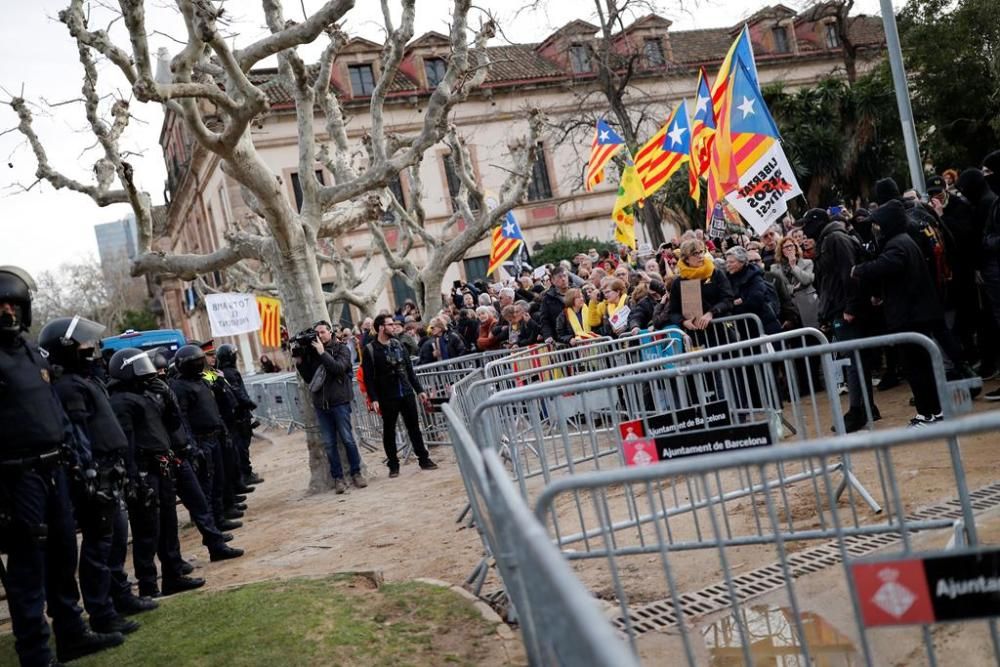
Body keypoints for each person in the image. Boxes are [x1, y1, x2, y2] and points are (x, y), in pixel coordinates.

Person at [0, 266, 125, 666]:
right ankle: (36, 653)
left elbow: (58, 414)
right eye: (0, 307)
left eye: (13, 306)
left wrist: (79, 461)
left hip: (55, 470)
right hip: (17, 476)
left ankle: (72, 633)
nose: (7, 314)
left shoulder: (32, 353)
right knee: (28, 568)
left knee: (63, 555)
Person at [39, 316, 140, 636]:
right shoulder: (68, 386)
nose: (90, 349)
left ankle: (117, 599)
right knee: (99, 546)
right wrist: (89, 473)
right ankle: (102, 612)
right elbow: (78, 433)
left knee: (113, 540)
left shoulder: (84, 380)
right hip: (95, 472)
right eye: (83, 344)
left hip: (110, 468)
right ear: (66, 349)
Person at [853, 200, 945, 426]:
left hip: (910, 316)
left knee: (916, 367)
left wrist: (859, 269)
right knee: (921, 366)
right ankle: (933, 412)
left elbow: (886, 265)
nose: (875, 230)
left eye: (878, 225)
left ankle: (927, 414)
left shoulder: (897, 244)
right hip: (914, 314)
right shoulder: (902, 241)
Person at [796, 208, 879, 431]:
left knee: (854, 361)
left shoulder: (835, 239)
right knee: (854, 359)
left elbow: (849, 273)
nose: (803, 231)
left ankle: (858, 411)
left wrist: (850, 307)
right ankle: (866, 407)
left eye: (806, 225)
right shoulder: (828, 239)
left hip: (847, 309)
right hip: (838, 308)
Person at [169, 345, 242, 531]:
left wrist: (223, 430)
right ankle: (213, 528)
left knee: (219, 481)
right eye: (198, 361)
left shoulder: (203, 378)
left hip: (215, 436)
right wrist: (192, 445)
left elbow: (217, 392)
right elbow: (182, 418)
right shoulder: (179, 386)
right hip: (201, 441)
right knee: (207, 488)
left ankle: (220, 518)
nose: (202, 364)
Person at [361, 314, 438, 478]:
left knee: (414, 429)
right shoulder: (370, 350)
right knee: (389, 431)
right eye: (390, 324)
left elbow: (410, 371)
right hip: (386, 396)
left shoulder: (399, 345)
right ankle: (393, 465)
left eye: (393, 324)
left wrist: (420, 390)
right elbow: (368, 377)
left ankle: (424, 459)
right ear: (381, 327)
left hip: (406, 392)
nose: (394, 327)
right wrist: (373, 398)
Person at [294, 321, 366, 494]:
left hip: (340, 402)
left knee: (348, 439)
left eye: (323, 332)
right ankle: (338, 478)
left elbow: (339, 369)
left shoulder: (342, 349)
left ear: (330, 332)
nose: (320, 335)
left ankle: (356, 473)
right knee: (329, 444)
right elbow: (309, 379)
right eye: (317, 333)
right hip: (321, 405)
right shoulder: (312, 352)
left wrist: (322, 352)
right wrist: (300, 362)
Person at [215, 344, 264, 487]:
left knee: (242, 445)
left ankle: (245, 472)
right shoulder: (230, 373)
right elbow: (237, 391)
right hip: (239, 415)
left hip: (239, 414)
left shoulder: (226, 372)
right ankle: (246, 474)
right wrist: (249, 403)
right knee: (241, 446)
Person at [667, 239, 735, 333]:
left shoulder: (715, 274)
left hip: (722, 329)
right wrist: (683, 322)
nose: (700, 256)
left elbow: (728, 299)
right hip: (697, 334)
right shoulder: (678, 282)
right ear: (686, 259)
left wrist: (711, 313)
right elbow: (673, 312)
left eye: (701, 252)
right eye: (695, 253)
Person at [725, 246, 782, 335]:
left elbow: (755, 299)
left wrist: (740, 302)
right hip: (746, 330)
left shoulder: (755, 276)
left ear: (742, 262)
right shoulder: (727, 279)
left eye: (731, 262)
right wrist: (736, 302)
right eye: (727, 262)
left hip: (765, 326)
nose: (728, 265)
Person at [771, 237, 817, 329]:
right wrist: (793, 288)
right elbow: (778, 288)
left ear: (796, 248)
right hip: (789, 309)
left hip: (807, 305)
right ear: (781, 251)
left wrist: (793, 266)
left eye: (791, 246)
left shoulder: (808, 263)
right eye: (785, 247)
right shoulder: (775, 268)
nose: (789, 248)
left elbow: (806, 280)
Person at [539, 265, 570, 344]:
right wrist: (548, 336)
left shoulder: (576, 291)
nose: (563, 279)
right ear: (552, 280)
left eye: (565, 276)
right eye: (559, 277)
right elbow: (545, 320)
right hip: (560, 339)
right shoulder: (547, 298)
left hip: (579, 336)